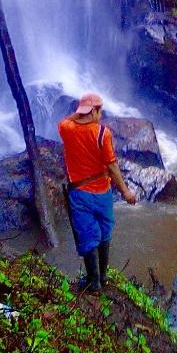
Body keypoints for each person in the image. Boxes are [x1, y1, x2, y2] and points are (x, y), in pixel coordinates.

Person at [58, 92, 136, 291]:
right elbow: (112, 166)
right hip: (103, 192)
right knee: (104, 231)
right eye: (99, 110)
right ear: (94, 111)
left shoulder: (66, 129)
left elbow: (67, 120)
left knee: (87, 233)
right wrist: (126, 192)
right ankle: (103, 276)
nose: (101, 115)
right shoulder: (103, 133)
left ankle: (94, 283)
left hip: (79, 193)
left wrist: (81, 114)